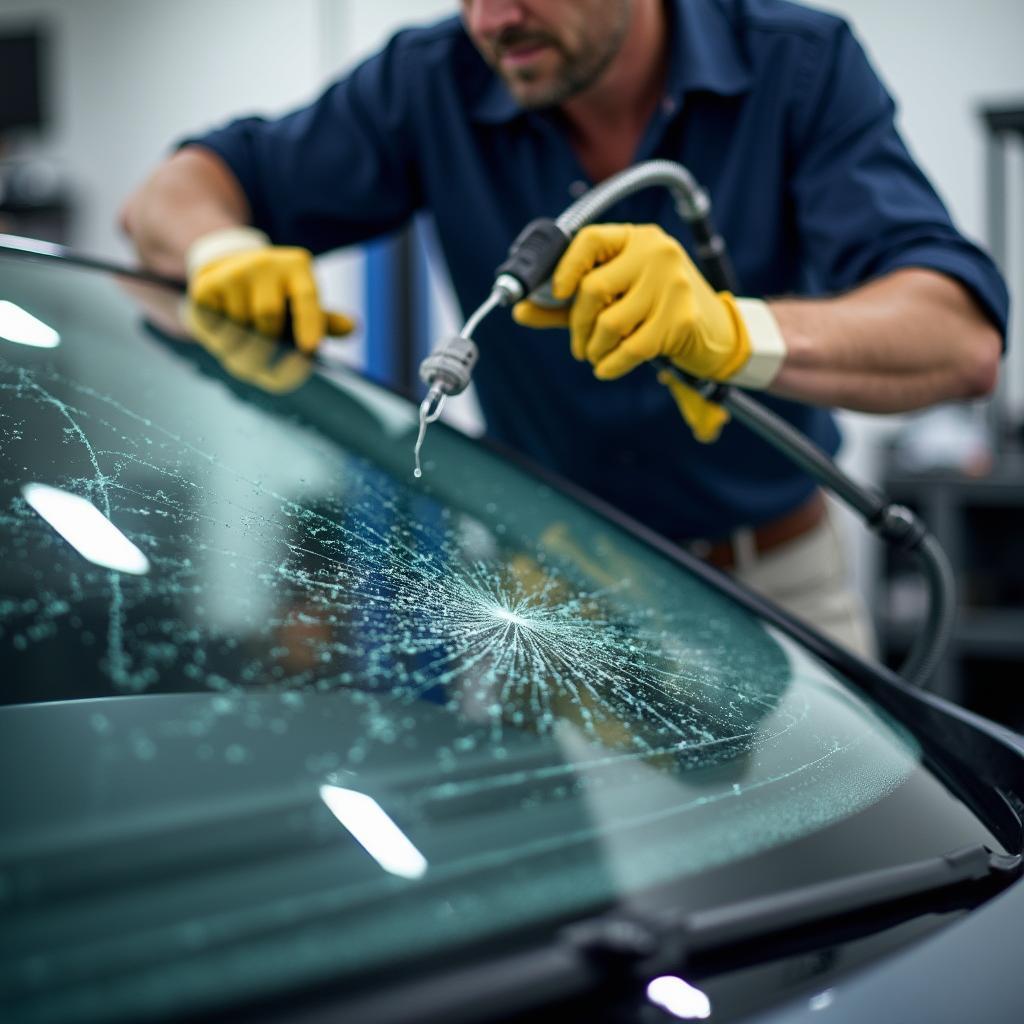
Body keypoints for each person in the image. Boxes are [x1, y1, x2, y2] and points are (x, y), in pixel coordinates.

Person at [120, 0, 1008, 655]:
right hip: (557, 596)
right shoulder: (434, 79)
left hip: (781, 582)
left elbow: (959, 337)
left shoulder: (798, 65)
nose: (491, 20)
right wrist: (218, 249)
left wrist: (732, 332)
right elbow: (169, 196)